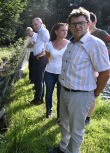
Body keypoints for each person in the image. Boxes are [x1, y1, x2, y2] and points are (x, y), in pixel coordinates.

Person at [49, 7, 110, 153]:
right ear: (69, 26)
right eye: (74, 24)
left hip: (81, 94)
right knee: (64, 124)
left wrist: (94, 94)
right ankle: (63, 148)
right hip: (65, 90)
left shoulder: (95, 44)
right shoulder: (71, 43)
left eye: (81, 23)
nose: (78, 26)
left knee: (76, 130)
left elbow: (105, 72)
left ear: (88, 23)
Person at [85, 12, 110, 125]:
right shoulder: (82, 34)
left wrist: (102, 58)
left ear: (94, 21)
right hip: (84, 68)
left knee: (92, 93)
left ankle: (87, 118)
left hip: (98, 69)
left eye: (89, 21)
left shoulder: (101, 33)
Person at [44, 23, 69, 121]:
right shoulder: (49, 44)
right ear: (56, 32)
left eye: (66, 30)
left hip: (62, 74)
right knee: (49, 92)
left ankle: (59, 115)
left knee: (60, 95)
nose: (65, 32)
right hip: (49, 72)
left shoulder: (69, 44)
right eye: (62, 30)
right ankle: (48, 111)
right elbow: (48, 57)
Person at [29, 17, 50, 105]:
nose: (34, 26)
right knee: (40, 79)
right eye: (33, 25)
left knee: (39, 79)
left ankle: (37, 99)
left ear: (41, 23)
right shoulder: (40, 32)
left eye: (36, 24)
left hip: (41, 58)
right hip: (39, 58)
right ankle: (40, 99)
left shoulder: (43, 31)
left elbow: (48, 42)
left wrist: (42, 54)